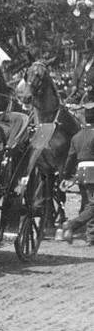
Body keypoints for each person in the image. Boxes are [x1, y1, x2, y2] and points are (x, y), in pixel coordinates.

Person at [62, 98, 94, 244]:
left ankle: (91, 237)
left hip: (81, 173)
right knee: (92, 206)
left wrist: (66, 175)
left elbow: (70, 159)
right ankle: (71, 225)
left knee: (88, 204)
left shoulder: (76, 137)